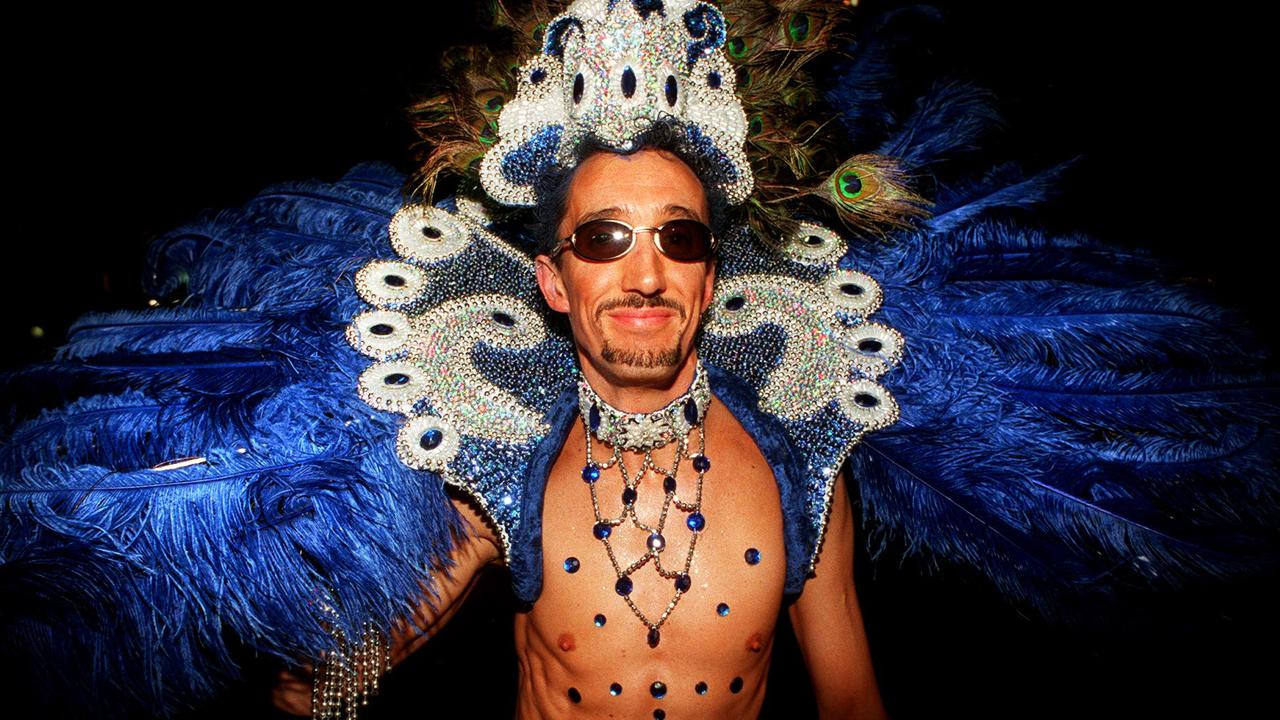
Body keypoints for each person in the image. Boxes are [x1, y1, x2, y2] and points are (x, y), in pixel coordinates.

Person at [273, 145, 887, 719]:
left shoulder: (800, 464)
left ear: (708, 282)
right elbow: (311, 692)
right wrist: (295, 544)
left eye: (680, 238)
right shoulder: (502, 468)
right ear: (554, 284)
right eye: (604, 239)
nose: (646, 276)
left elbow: (852, 702)